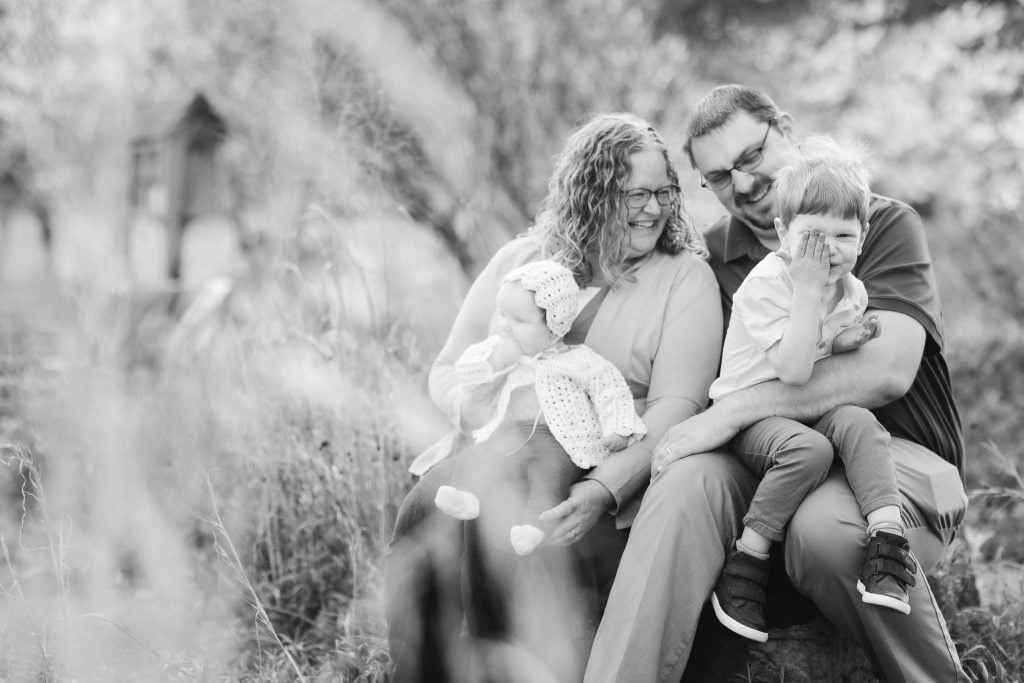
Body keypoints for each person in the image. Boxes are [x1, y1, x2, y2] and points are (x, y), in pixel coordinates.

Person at [585, 85, 969, 683]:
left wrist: (730, 411)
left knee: (823, 533)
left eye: (751, 156)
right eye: (717, 177)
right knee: (684, 487)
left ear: (784, 128)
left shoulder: (875, 221)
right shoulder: (713, 258)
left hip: (895, 457)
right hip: (775, 453)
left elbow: (885, 371)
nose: (741, 185)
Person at [386, 112, 724, 682]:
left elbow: (679, 407)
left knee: (502, 538)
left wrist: (600, 490)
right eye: (635, 194)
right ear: (591, 193)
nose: (655, 208)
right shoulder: (521, 262)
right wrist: (487, 418)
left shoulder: (683, 279)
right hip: (490, 460)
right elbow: (448, 368)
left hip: (604, 488)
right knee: (426, 515)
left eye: (664, 191)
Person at [707, 136, 918, 645]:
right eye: (811, 237)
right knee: (810, 450)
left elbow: (822, 347)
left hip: (804, 408)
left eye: (843, 236)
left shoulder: (852, 288)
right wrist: (805, 289)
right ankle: (747, 560)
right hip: (753, 414)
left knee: (862, 423)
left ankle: (888, 540)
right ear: (783, 233)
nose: (827, 251)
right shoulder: (766, 284)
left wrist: (850, 338)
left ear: (864, 235)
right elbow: (796, 370)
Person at [412, 259, 646, 556]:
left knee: (550, 473)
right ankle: (466, 497)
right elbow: (468, 372)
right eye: (501, 315)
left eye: (518, 321)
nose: (503, 326)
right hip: (511, 434)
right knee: (483, 457)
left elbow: (610, 389)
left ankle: (534, 525)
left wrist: (619, 427)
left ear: (554, 328)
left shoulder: (578, 361)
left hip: (560, 440)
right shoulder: (507, 359)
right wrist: (494, 358)